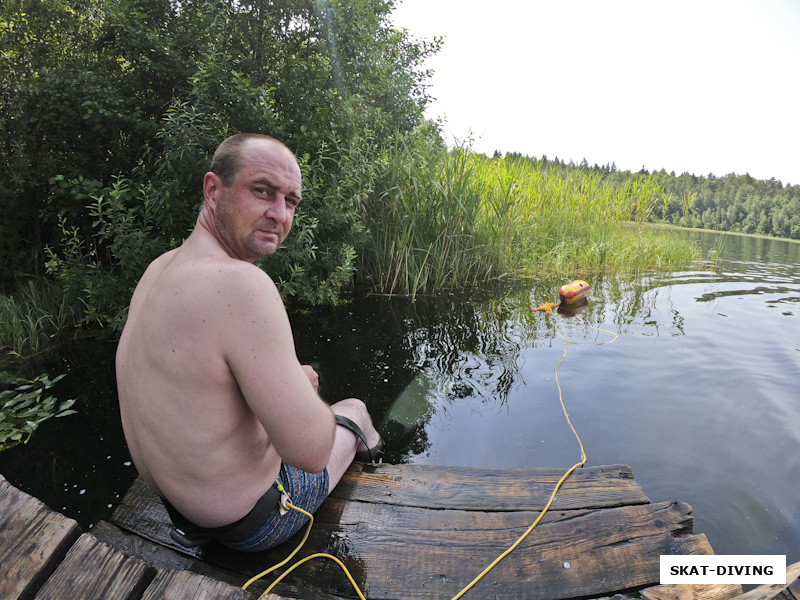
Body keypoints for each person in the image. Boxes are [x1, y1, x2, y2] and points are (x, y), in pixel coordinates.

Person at [115, 133, 381, 552]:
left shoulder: (159, 268)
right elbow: (310, 453)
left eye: (291, 201)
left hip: (177, 506)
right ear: (213, 189)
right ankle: (375, 458)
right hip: (249, 524)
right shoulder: (241, 283)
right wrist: (303, 390)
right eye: (262, 191)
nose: (279, 213)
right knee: (353, 411)